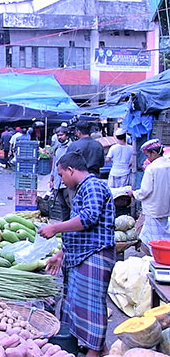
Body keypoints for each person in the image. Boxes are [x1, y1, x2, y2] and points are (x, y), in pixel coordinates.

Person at [38, 152, 115, 357]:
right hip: (80, 254)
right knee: (77, 305)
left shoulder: (93, 186)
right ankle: (95, 347)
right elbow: (81, 230)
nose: (62, 180)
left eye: (62, 175)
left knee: (91, 307)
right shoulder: (82, 189)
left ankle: (95, 351)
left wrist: (56, 229)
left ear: (71, 170)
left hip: (94, 255)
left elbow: (88, 219)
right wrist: (62, 254)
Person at [131, 139, 170, 253]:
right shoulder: (168, 165)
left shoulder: (151, 168)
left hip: (153, 209)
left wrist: (133, 194)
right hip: (165, 208)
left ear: (154, 153)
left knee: (153, 240)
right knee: (164, 236)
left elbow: (144, 191)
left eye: (148, 154)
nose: (147, 158)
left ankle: (157, 259)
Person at [49, 126, 72, 221]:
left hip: (67, 182)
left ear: (67, 135)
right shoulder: (58, 148)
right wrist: (51, 179)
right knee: (62, 205)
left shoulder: (71, 147)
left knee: (69, 203)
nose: (59, 137)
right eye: (58, 135)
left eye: (61, 135)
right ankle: (65, 224)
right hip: (57, 182)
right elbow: (55, 165)